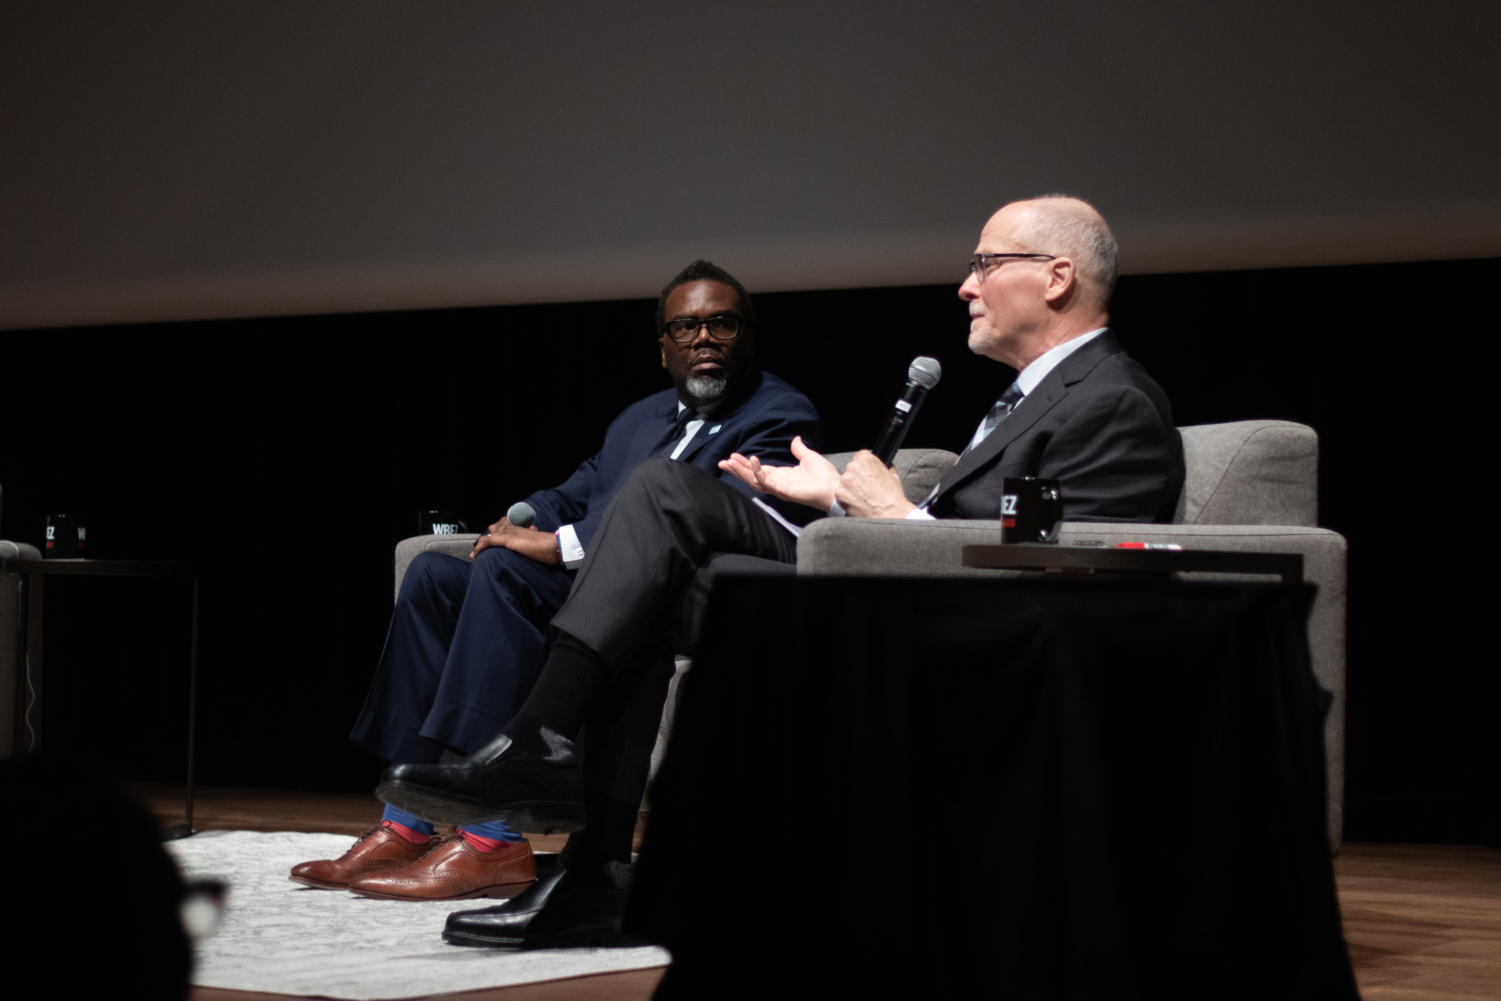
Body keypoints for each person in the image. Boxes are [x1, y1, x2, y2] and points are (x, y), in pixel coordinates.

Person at [377, 195, 1185, 942]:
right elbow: (974, 532)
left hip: (938, 632)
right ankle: (593, 869)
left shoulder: (1110, 399)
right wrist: (834, 497)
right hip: (883, 588)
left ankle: (537, 743)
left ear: (1055, 277)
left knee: (662, 489)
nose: (964, 288)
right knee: (649, 570)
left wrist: (891, 514)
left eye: (983, 265)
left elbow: (1075, 587)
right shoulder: (1030, 394)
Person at [289, 260, 820, 901]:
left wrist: (555, 544)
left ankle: (492, 838)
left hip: (655, 593)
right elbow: (574, 491)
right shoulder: (638, 418)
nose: (703, 338)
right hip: (580, 586)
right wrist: (521, 517)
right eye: (685, 327)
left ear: (747, 336)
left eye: (721, 324)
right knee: (435, 573)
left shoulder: (778, 412)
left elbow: (700, 516)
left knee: (505, 573)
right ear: (663, 349)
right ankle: (405, 822)